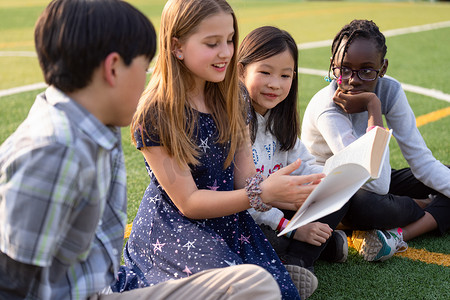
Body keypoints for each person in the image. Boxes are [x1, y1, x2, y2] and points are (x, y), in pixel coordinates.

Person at [0, 0, 283, 299]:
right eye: (144, 67)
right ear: (113, 69)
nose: (149, 79)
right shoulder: (54, 152)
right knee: (252, 287)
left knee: (255, 284)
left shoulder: (93, 131)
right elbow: (13, 283)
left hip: (98, 289)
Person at [121, 1, 325, 299]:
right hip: (176, 229)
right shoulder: (155, 112)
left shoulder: (234, 95)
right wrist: (263, 194)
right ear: (177, 46)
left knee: (277, 293)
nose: (226, 52)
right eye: (212, 43)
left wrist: (284, 189)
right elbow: (189, 202)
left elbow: (245, 179)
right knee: (233, 290)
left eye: (230, 40)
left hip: (230, 220)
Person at [301, 19, 450, 262]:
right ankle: (422, 207)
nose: (353, 80)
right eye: (344, 69)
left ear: (383, 68)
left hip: (376, 175)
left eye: (367, 71)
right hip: (339, 191)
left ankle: (397, 234)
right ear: (332, 66)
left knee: (444, 173)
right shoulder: (327, 106)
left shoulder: (390, 90)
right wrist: (373, 108)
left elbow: (422, 162)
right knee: (371, 206)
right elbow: (375, 184)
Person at [237, 26, 349, 297]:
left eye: (285, 75)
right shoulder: (236, 125)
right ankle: (315, 251)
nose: (275, 84)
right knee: (256, 243)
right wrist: (292, 229)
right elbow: (245, 199)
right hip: (247, 216)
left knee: (339, 195)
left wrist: (331, 179)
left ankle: (299, 259)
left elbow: (305, 163)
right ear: (241, 71)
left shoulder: (280, 120)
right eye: (265, 72)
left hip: (280, 210)